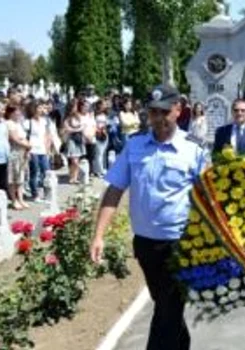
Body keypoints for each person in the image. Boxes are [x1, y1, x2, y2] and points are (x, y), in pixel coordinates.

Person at [90, 85, 207, 350]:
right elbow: (115, 190)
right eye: (153, 112)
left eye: (164, 111)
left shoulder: (194, 149)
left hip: (181, 245)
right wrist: (98, 235)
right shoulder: (135, 146)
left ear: (178, 110)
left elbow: (209, 197)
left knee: (166, 311)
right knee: (166, 307)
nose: (158, 117)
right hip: (145, 245)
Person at [24, 101, 53, 201]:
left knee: (46, 171)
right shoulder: (28, 122)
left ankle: (47, 193)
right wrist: (27, 151)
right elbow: (26, 137)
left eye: (42, 108)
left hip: (42, 149)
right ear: (34, 109)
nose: (42, 110)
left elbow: (46, 135)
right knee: (35, 172)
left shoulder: (44, 121)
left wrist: (48, 149)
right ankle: (35, 194)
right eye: (39, 108)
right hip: (33, 149)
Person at [6, 104, 31, 209]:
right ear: (11, 113)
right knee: (13, 178)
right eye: (17, 112)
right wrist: (28, 145)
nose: (19, 114)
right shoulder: (9, 124)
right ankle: (13, 199)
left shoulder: (19, 124)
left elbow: (24, 138)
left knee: (20, 178)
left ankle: (21, 199)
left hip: (22, 152)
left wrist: (28, 148)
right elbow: (14, 138)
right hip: (14, 153)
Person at [63, 99, 86, 184]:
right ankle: (72, 176)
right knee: (74, 160)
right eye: (74, 107)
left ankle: (74, 178)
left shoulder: (78, 117)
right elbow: (68, 129)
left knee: (78, 159)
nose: (76, 108)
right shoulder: (67, 118)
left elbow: (83, 126)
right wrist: (77, 129)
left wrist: (77, 129)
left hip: (78, 139)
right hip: (71, 140)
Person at [93, 100, 109, 177]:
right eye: (104, 104)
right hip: (98, 134)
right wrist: (99, 130)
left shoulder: (105, 113)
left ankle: (100, 169)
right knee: (98, 153)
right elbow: (93, 124)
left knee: (103, 153)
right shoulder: (94, 114)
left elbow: (106, 123)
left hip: (105, 134)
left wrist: (105, 129)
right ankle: (99, 170)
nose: (105, 105)